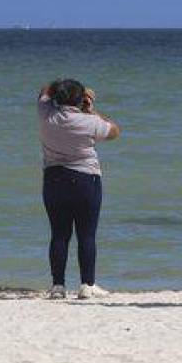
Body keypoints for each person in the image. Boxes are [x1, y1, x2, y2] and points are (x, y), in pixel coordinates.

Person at [38, 79, 120, 299]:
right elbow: (114, 131)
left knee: (59, 234)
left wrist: (58, 88)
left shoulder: (46, 114)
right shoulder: (89, 121)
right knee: (87, 234)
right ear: (81, 100)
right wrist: (92, 110)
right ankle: (87, 284)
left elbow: (44, 90)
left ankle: (58, 286)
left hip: (54, 178)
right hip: (86, 179)